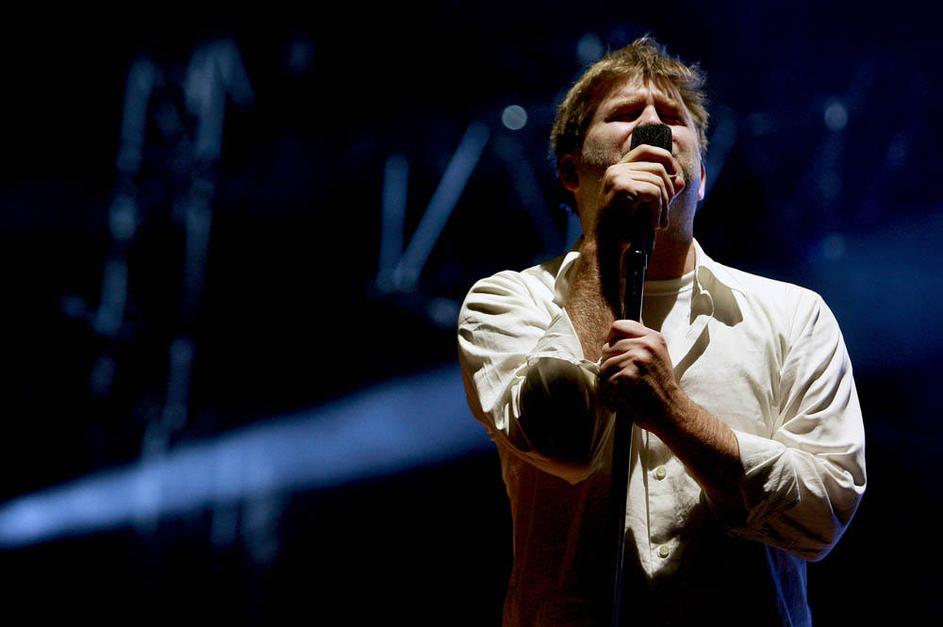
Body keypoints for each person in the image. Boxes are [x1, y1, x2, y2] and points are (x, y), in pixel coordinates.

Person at [457, 36, 866, 626]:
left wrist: (674, 414)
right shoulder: (506, 302)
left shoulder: (794, 315)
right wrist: (605, 246)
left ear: (699, 180)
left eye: (672, 118)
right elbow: (559, 443)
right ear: (571, 171)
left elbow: (822, 517)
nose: (651, 127)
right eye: (625, 114)